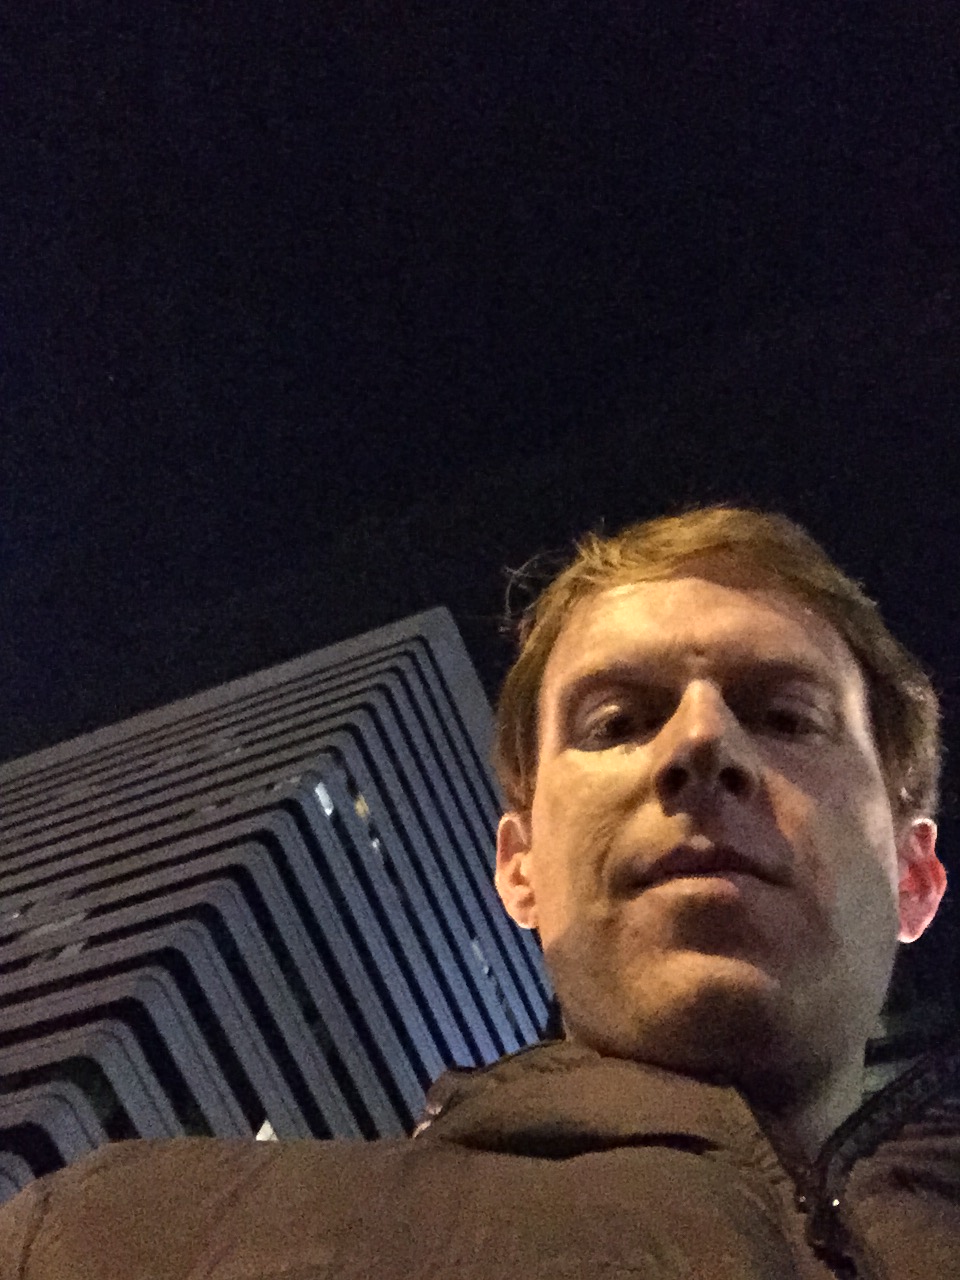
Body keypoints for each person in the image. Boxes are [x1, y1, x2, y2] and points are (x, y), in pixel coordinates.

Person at [1, 503, 956, 1280]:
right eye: (616, 721)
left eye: (786, 716)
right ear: (519, 867)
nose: (701, 743)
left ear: (915, 877)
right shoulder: (115, 1241)